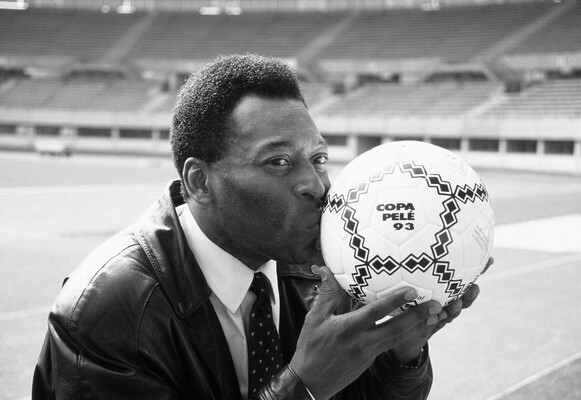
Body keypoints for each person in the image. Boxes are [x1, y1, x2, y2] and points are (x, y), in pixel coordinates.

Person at [32, 54, 483, 400]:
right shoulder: (107, 315)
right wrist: (303, 386)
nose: (316, 186)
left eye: (318, 158)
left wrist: (401, 354)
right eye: (279, 161)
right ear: (199, 182)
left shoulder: (323, 273)